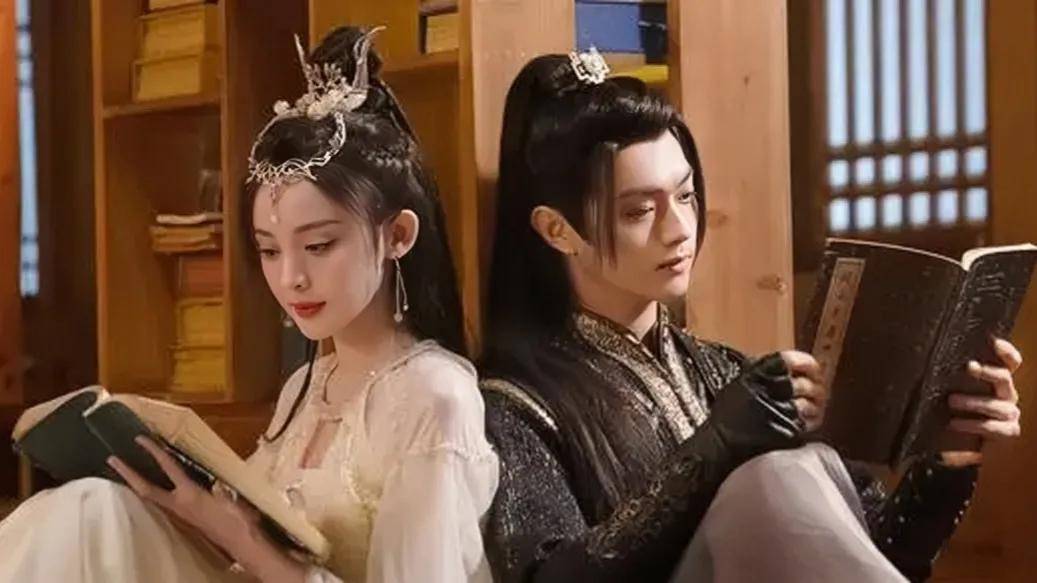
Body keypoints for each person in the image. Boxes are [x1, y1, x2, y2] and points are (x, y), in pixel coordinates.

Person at [479, 50, 1023, 583]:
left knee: (794, 468)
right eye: (639, 210)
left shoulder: (730, 375)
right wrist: (716, 450)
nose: (679, 229)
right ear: (557, 229)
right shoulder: (514, 406)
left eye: (686, 196)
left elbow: (877, 555)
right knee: (775, 473)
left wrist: (950, 452)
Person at [0, 26, 498, 583]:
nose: (291, 278)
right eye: (269, 250)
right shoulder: (306, 387)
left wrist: (241, 538)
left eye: (318, 246)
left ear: (398, 235)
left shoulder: (434, 398)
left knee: (91, 517)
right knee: (93, 506)